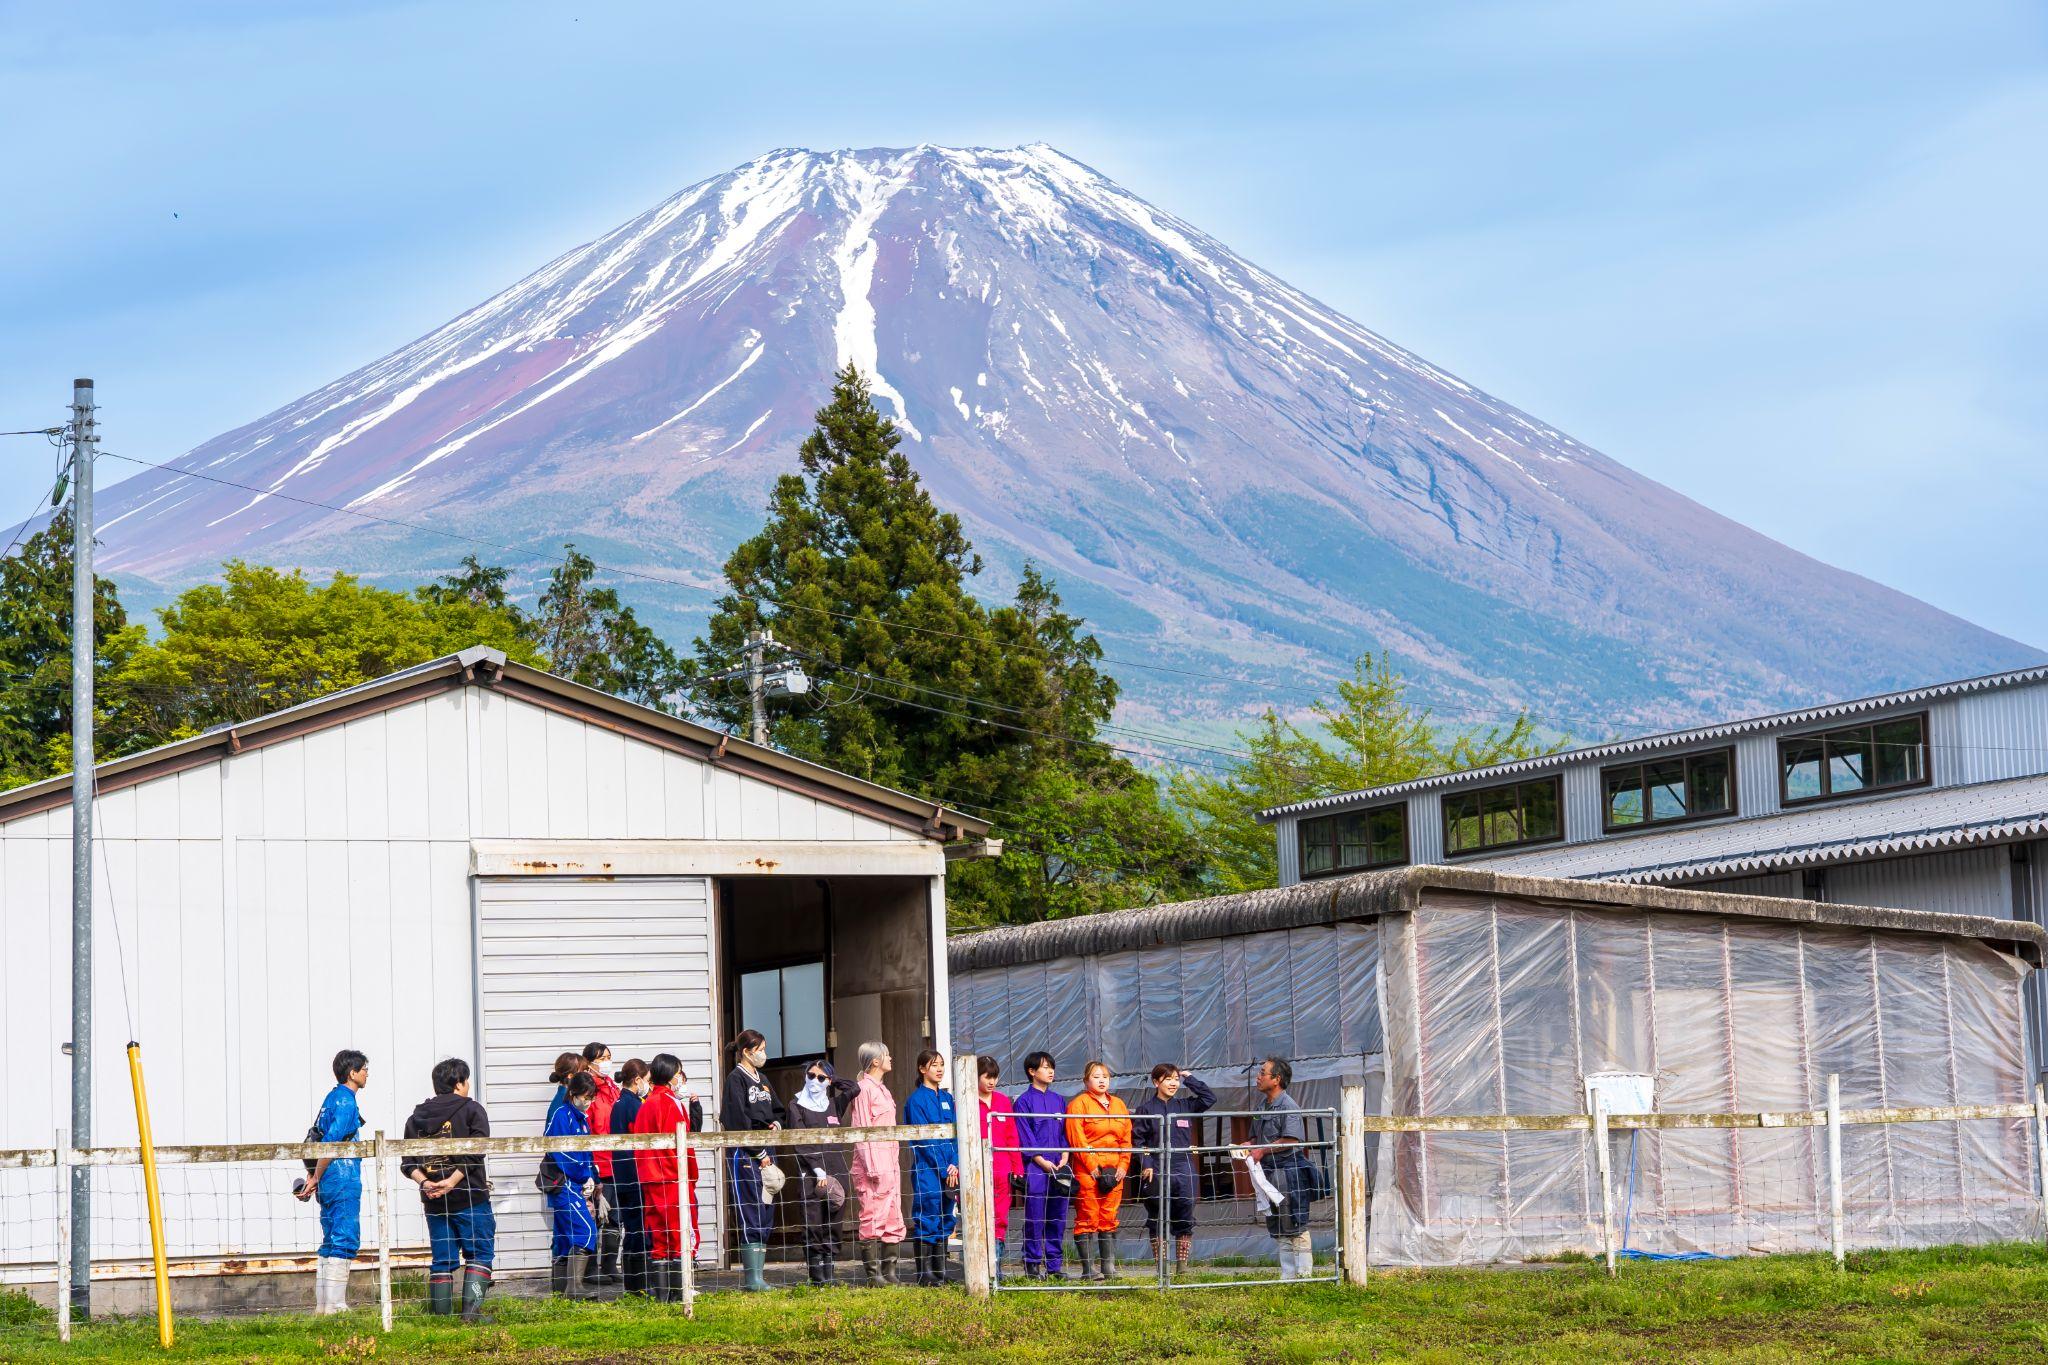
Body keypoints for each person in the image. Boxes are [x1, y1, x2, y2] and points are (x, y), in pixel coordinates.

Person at [401, 1057, 495, 1321]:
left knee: (442, 1260)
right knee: (479, 1253)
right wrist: (452, 1181)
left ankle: (440, 1319)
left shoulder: (415, 1118)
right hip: (470, 1198)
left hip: (433, 1200)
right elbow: (476, 1153)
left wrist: (425, 1182)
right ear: (459, 1082)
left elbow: (407, 1162)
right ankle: (471, 1314)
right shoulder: (472, 1110)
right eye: (466, 1081)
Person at [296, 1048, 367, 1315]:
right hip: (343, 1175)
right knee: (345, 1237)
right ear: (352, 1073)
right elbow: (329, 1144)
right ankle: (336, 1305)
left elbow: (312, 1139)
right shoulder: (347, 1101)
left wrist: (314, 1176)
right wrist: (315, 1176)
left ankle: (322, 1306)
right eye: (364, 1069)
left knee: (329, 1238)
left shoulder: (330, 1098)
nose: (366, 1073)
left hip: (326, 1178)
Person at [1131, 1063, 1217, 1274]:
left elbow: (1209, 1098)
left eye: (1176, 1079)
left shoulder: (1185, 1105)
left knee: (1185, 1213)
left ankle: (1182, 1265)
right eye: (1168, 1079)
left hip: (1183, 1164)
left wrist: (1189, 1078)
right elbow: (1137, 1142)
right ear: (1156, 1082)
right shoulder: (1146, 1110)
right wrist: (1146, 1163)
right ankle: (1161, 1266)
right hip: (1157, 1166)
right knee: (1157, 1215)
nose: (1173, 1083)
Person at [631, 1053, 700, 1303]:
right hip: (672, 1176)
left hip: (650, 1176)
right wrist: (689, 1175)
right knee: (680, 1232)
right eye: (679, 1072)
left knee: (659, 1233)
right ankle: (681, 1290)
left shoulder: (648, 1103)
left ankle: (664, 1295)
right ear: (671, 1074)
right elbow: (679, 1146)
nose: (680, 1077)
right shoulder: (670, 1103)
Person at [720, 1029, 785, 1292]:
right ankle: (751, 1278)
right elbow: (735, 1119)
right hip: (747, 1153)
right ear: (747, 1051)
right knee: (750, 1208)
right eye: (760, 1049)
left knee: (765, 1207)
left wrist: (777, 1124)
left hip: (768, 1148)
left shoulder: (764, 1080)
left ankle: (760, 1273)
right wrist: (758, 1152)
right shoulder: (736, 1079)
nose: (763, 1054)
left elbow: (777, 1108)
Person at [786, 1059, 859, 1284]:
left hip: (837, 1170)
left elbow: (854, 1088)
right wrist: (817, 1169)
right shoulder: (796, 1105)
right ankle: (816, 1275)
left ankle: (830, 1272)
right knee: (814, 1221)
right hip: (812, 1173)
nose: (814, 1081)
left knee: (834, 1221)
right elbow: (800, 1140)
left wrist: (832, 1078)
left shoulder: (833, 1105)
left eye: (820, 1078)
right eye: (810, 1075)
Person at [1246, 1056, 1315, 1280]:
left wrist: (1262, 1150)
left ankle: (1304, 1275)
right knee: (1278, 1223)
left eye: (1263, 1073)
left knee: (1294, 1220)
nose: (1258, 1077)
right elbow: (1256, 1137)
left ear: (1276, 1079)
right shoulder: (1261, 1106)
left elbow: (1291, 1140)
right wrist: (1247, 1145)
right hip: (1269, 1173)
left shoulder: (1288, 1105)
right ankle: (1288, 1276)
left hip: (1289, 1171)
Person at [1065, 1060, 1132, 1281]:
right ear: (1086, 1080)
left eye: (1105, 1076)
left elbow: (1126, 1139)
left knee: (1109, 1216)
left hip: (1115, 1170)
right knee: (1087, 1215)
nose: (1102, 1080)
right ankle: (1088, 1269)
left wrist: (1123, 1166)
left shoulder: (1120, 1105)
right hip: (1088, 1170)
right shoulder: (1079, 1104)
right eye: (1096, 1076)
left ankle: (1109, 1268)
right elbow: (1077, 1139)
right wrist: (1093, 1166)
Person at [847, 1039, 905, 1285]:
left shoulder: (884, 1090)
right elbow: (861, 1129)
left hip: (890, 1162)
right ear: (876, 1061)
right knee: (872, 1215)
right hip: (872, 1165)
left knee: (893, 1215)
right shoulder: (862, 1089)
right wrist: (871, 1166)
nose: (891, 1058)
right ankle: (873, 1275)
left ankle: (890, 1273)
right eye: (887, 1055)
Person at [1011, 1051, 1072, 1281]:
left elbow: (1065, 1131)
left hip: (1059, 1164)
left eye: (1051, 1067)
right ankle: (1032, 1264)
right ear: (1032, 1071)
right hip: (1036, 1166)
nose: (1050, 1071)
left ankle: (1055, 1266)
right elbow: (1025, 1135)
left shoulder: (1058, 1100)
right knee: (1035, 1216)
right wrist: (1040, 1160)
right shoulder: (1024, 1101)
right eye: (1045, 1067)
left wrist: (1065, 1154)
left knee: (1058, 1216)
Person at [543, 1071, 602, 1299]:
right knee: (585, 1230)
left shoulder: (582, 1119)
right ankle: (574, 1288)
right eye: (585, 1096)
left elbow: (586, 1152)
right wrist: (581, 1175)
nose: (587, 1102)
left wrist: (592, 1178)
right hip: (564, 1183)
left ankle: (560, 1288)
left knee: (563, 1235)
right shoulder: (562, 1115)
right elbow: (558, 1152)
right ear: (573, 1093)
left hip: (578, 1183)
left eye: (591, 1097)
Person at [903, 1050, 959, 1287]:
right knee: (928, 1215)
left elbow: (956, 1133)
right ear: (922, 1069)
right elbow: (925, 1140)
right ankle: (924, 1274)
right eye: (934, 1065)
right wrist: (945, 1169)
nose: (939, 1069)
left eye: (942, 1065)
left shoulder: (947, 1099)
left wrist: (956, 1163)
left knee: (947, 1215)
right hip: (928, 1169)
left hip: (951, 1169)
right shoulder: (916, 1101)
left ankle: (940, 1271)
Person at [608, 1058, 652, 1296]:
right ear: (637, 1080)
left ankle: (633, 1284)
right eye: (646, 1080)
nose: (648, 1085)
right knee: (638, 1229)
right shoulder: (633, 1105)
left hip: (622, 1174)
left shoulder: (618, 1103)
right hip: (635, 1175)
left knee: (631, 1227)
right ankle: (639, 1284)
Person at [582, 1042, 623, 1287]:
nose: (606, 1061)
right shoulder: (588, 1089)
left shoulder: (611, 1087)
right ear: (589, 1062)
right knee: (597, 1216)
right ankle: (589, 1266)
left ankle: (609, 1264)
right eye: (601, 1058)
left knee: (615, 1217)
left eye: (609, 1056)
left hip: (616, 1161)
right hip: (599, 1162)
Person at [977, 1056, 1022, 1276]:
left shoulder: (1003, 1101)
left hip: (1002, 1169)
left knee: (1001, 1216)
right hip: (977, 1169)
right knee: (979, 1215)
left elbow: (1012, 1136)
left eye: (995, 1077)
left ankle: (996, 1266)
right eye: (987, 1077)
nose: (992, 1081)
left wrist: (1018, 1168)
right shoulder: (965, 1103)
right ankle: (979, 1266)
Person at [545, 1051, 587, 1125]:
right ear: (570, 1076)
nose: (586, 1075)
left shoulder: (569, 1097)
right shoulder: (563, 1102)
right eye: (583, 1071)